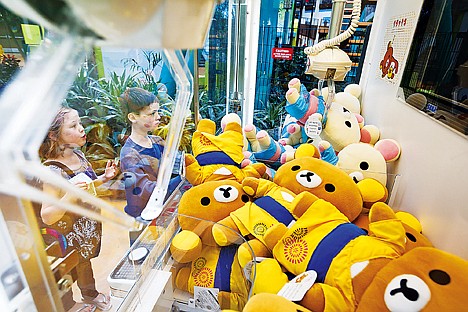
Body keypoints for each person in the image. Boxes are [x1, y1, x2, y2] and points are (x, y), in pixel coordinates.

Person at [39, 106, 116, 312]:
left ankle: (89, 295)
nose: (82, 129)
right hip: (67, 235)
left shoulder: (79, 156)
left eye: (80, 122)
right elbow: (46, 215)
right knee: (71, 268)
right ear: (54, 136)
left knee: (85, 263)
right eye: (73, 126)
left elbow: (86, 186)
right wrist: (69, 195)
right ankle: (70, 305)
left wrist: (103, 179)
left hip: (87, 227)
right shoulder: (52, 171)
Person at [118, 87, 182, 242]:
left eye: (157, 112)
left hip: (163, 213)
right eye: (151, 114)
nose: (158, 117)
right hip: (144, 224)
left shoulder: (157, 142)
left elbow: (176, 163)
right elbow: (144, 192)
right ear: (133, 117)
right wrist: (179, 178)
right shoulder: (129, 155)